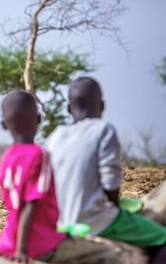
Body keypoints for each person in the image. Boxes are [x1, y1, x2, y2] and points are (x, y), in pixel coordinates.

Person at [45, 76, 166, 263]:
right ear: (102, 105)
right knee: (161, 237)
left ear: (69, 109)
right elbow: (111, 182)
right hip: (94, 221)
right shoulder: (103, 130)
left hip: (61, 225)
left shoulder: (54, 137)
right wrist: (116, 210)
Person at [0, 89, 122, 263]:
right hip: (39, 242)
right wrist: (23, 250)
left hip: (7, 241)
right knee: (114, 253)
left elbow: (13, 204)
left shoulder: (6, 157)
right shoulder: (39, 155)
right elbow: (30, 205)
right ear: (39, 119)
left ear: (3, 125)